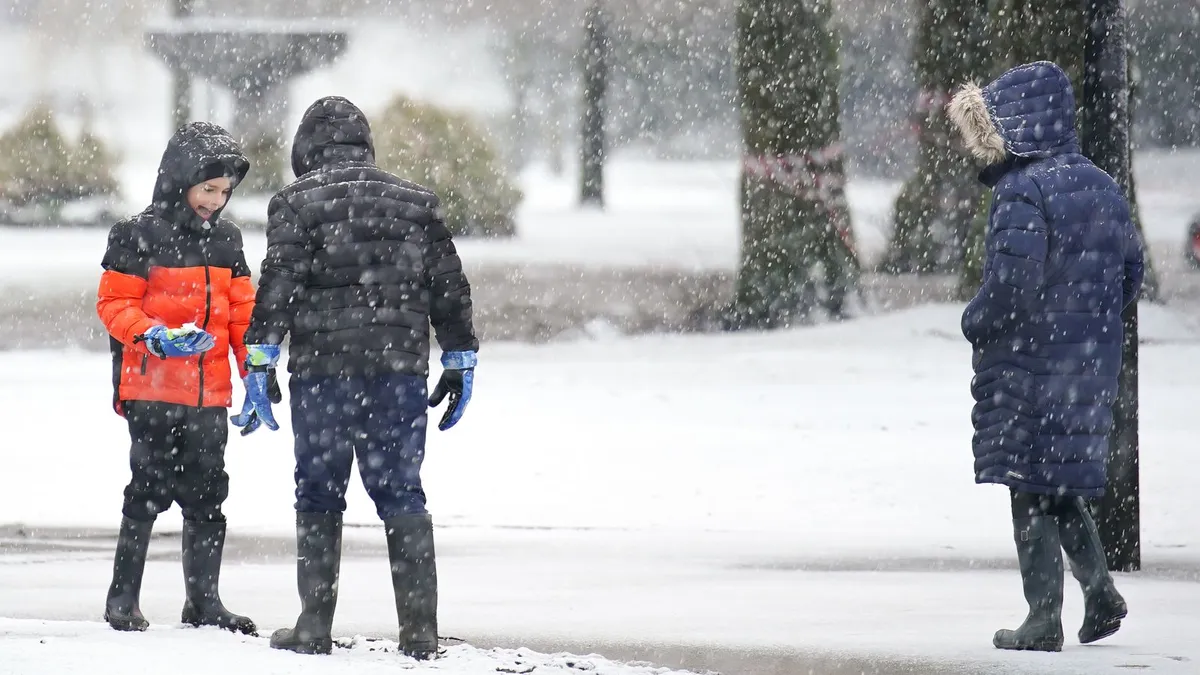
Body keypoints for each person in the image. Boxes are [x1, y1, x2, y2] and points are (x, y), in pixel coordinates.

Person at [239, 96, 478, 659]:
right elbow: (448, 283)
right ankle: (419, 633)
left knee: (319, 491)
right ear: (364, 143)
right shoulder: (416, 202)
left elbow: (279, 283)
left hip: (323, 374)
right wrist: (459, 355)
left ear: (306, 149)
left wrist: (260, 358)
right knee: (401, 491)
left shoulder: (295, 203)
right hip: (396, 372)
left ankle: (313, 627)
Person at [947, 61, 1144, 652]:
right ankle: (1101, 590)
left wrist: (976, 319)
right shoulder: (1102, 184)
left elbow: (1013, 285)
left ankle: (1042, 618)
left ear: (1015, 125)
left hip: (1031, 366)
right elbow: (1130, 269)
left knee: (1028, 487)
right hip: (1086, 363)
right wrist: (1089, 323)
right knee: (1057, 484)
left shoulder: (1021, 191)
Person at [96, 121, 260, 635]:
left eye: (224, 192)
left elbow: (241, 315)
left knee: (209, 490)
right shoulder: (136, 233)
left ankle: (204, 600)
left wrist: (255, 372)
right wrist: (153, 335)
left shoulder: (228, 240)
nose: (215, 200)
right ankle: (123, 598)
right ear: (180, 180)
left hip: (209, 394)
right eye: (207, 188)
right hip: (150, 387)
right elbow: (115, 304)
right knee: (148, 485)